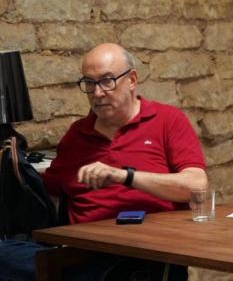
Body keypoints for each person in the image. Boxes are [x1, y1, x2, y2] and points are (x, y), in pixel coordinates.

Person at [0, 43, 208, 280]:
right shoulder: (77, 134)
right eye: (89, 83)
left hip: (145, 254)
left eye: (107, 81)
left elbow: (197, 187)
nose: (97, 93)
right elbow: (47, 191)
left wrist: (125, 176)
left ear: (131, 80)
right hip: (83, 253)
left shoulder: (167, 120)